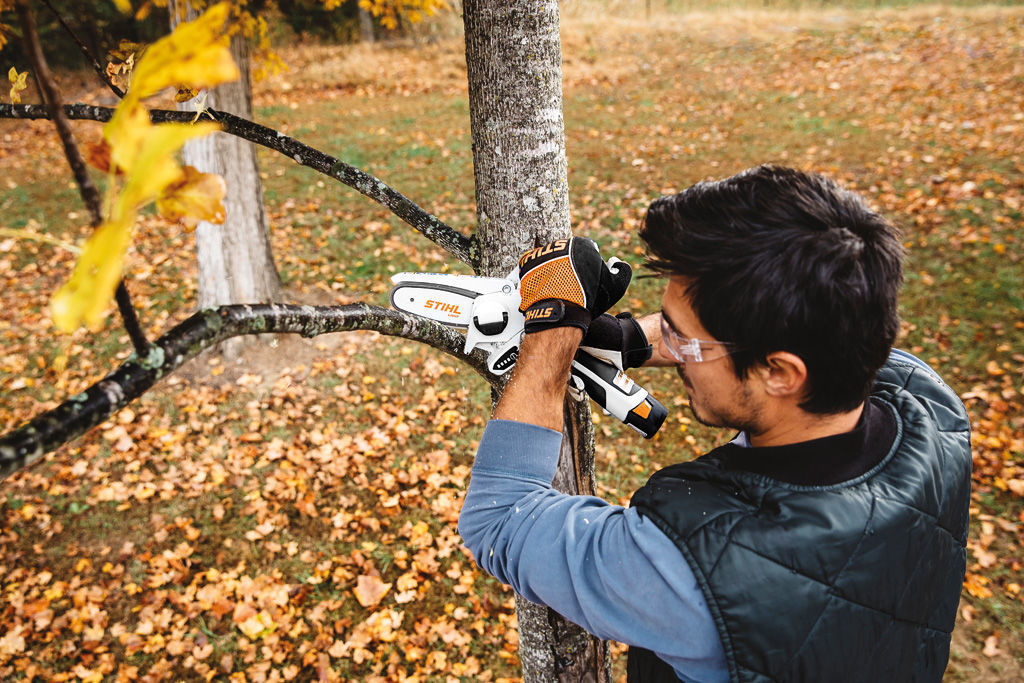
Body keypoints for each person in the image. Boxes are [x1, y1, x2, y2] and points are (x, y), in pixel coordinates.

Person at [457, 165, 972, 682]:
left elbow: (498, 519)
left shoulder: (695, 574)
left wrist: (552, 332)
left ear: (780, 372)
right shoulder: (928, 407)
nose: (674, 351)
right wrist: (629, 339)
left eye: (686, 340)